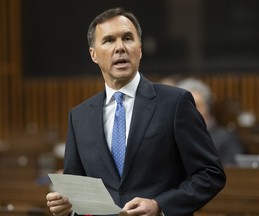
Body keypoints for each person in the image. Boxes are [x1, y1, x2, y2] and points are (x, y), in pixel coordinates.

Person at [46, 7, 226, 216]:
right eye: (109, 40)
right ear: (93, 54)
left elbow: (210, 174)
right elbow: (76, 189)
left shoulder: (175, 103)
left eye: (128, 38)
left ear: (139, 49)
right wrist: (67, 207)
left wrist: (160, 205)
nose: (120, 47)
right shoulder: (79, 117)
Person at [176, 77, 244, 166]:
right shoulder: (173, 138)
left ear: (208, 107)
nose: (192, 111)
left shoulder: (226, 139)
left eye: (197, 105)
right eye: (187, 106)